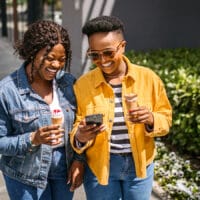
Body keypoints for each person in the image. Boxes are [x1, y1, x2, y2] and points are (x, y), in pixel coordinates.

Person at [70, 16, 172, 200]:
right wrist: (81, 136)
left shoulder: (148, 79)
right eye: (94, 54)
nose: (102, 60)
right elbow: (77, 126)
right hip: (100, 167)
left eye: (108, 53)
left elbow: (166, 119)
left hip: (140, 165)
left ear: (122, 46)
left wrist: (150, 119)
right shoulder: (83, 85)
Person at [0, 20, 85, 200]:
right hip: (24, 173)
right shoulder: (7, 91)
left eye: (62, 59)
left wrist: (79, 160)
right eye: (50, 58)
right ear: (32, 53)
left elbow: (79, 127)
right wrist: (33, 138)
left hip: (64, 169)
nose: (56, 65)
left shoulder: (69, 84)